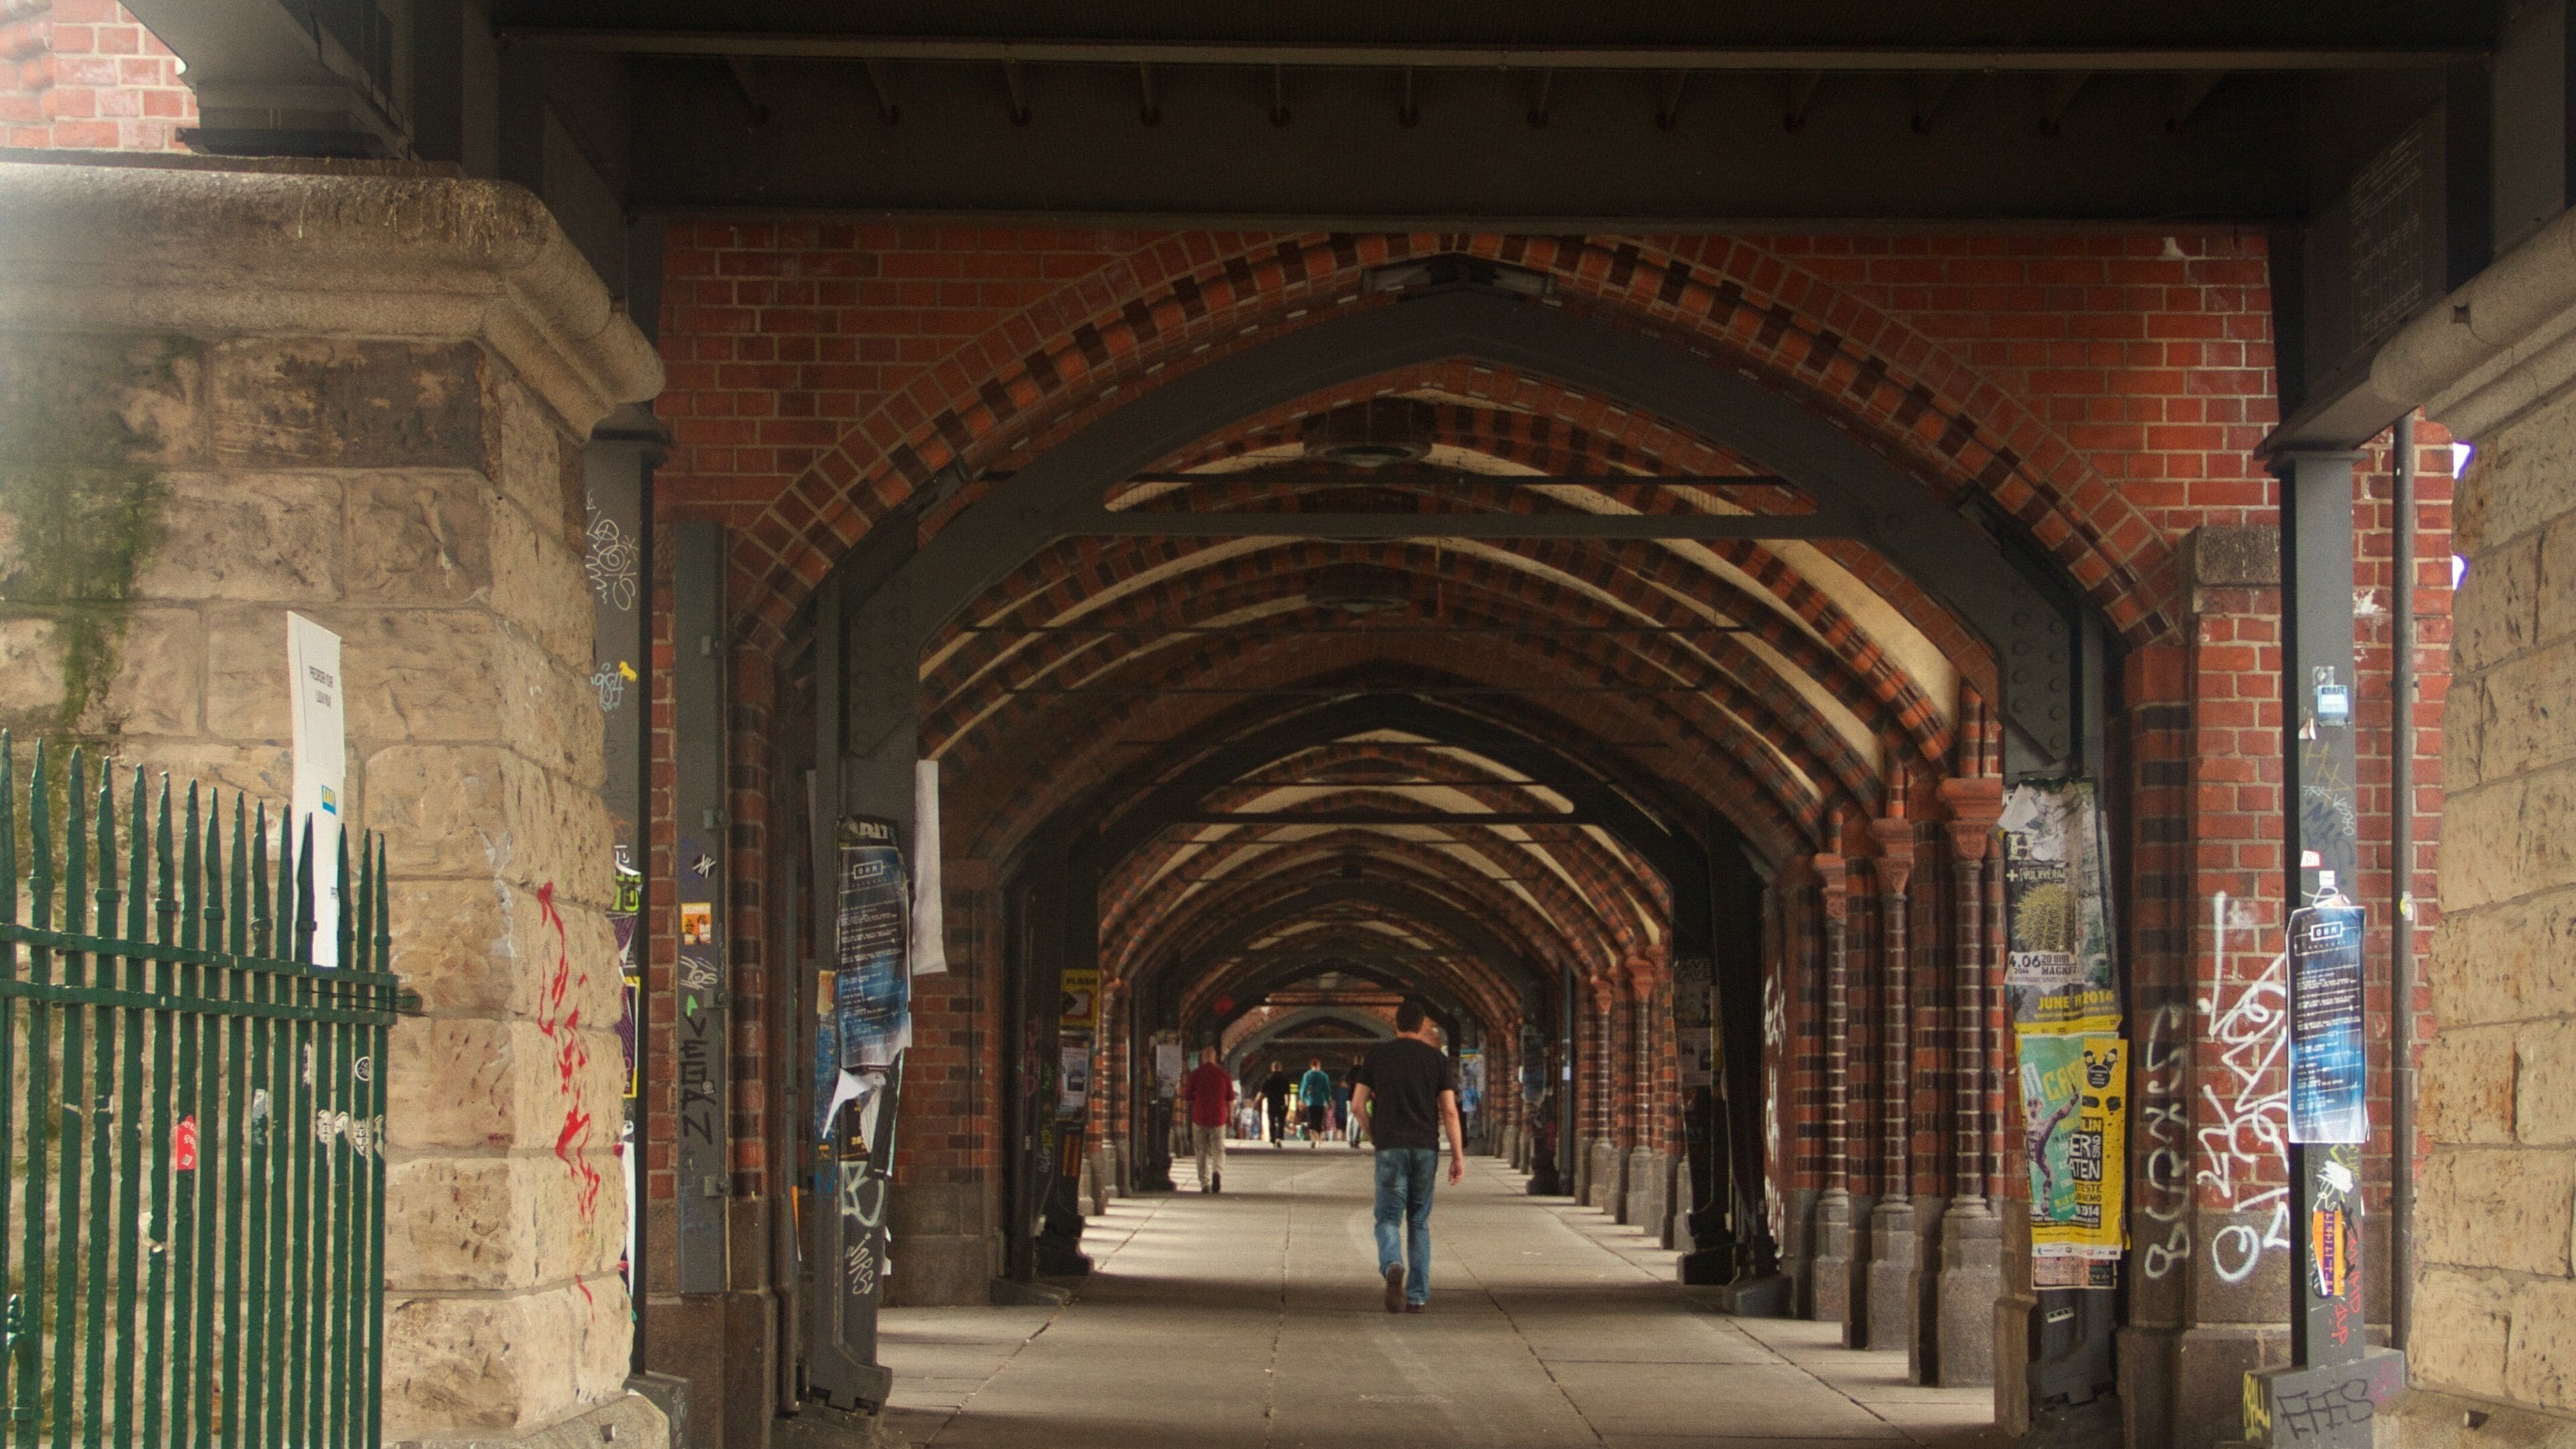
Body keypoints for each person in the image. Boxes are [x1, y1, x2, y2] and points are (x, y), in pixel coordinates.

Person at [1351, 998, 1464, 1314]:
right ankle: (1417, 1296)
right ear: (1421, 1026)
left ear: (1396, 1024)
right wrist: (1458, 1155)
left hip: (1390, 1147)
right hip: (1425, 1148)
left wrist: (1375, 1135)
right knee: (1419, 1221)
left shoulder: (1377, 1057)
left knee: (1387, 1217)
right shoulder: (1437, 1060)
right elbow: (1450, 1112)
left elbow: (1357, 1105)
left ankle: (1392, 1264)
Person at [1181, 1046, 1236, 1193]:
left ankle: (1204, 1183)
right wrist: (1230, 1116)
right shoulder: (1223, 1075)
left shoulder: (1195, 1074)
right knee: (1219, 1150)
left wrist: (1197, 1098)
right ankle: (1217, 1172)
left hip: (1199, 1117)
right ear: (1215, 1058)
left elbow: (1187, 1096)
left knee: (1201, 1151)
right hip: (1219, 1118)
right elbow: (1230, 1099)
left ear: (1202, 1058)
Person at [1298, 1057, 1334, 1147]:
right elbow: (1327, 1090)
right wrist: (1328, 1101)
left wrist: (1302, 1100)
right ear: (1319, 1065)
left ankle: (1313, 1139)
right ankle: (1319, 1140)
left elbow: (1303, 1088)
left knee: (1311, 1122)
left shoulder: (1307, 1075)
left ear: (1311, 1066)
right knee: (1319, 1122)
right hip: (1321, 1102)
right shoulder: (1324, 1076)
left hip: (1310, 1102)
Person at [1260, 1061, 1293, 1148]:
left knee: (1272, 1121)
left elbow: (1262, 1093)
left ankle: (1273, 1139)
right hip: (1281, 1104)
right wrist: (1287, 1105)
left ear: (1272, 1068)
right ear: (1280, 1068)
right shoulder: (1285, 1079)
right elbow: (1288, 1094)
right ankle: (1279, 1138)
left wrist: (1257, 1101)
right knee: (1281, 1121)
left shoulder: (1268, 1079)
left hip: (1271, 1103)